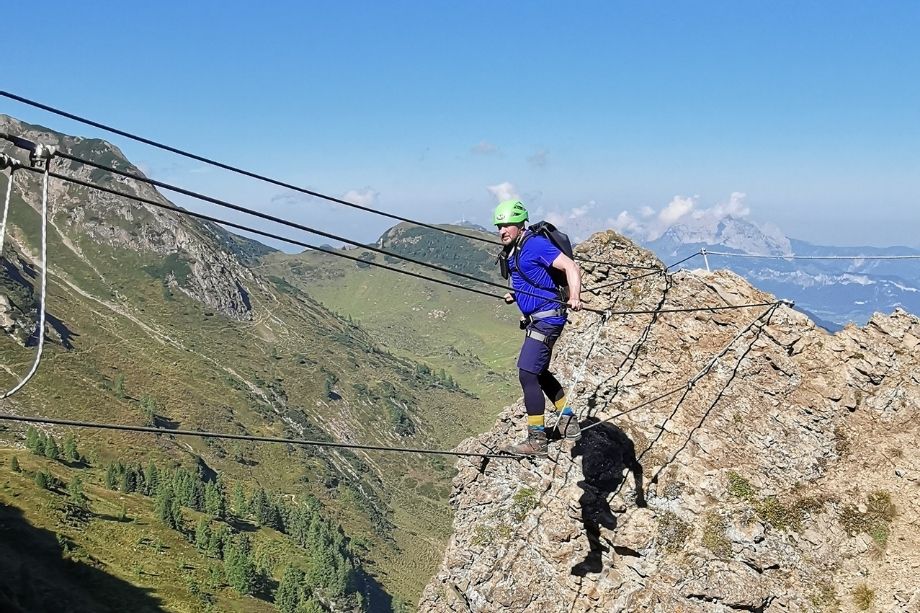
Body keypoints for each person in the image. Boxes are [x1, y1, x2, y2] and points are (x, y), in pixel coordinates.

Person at [493, 199, 583, 456]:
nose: (502, 231)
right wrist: (517, 295)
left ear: (520, 224)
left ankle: (537, 440)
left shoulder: (534, 244)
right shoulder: (515, 250)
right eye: (499, 226)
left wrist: (574, 296)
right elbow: (532, 278)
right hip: (539, 318)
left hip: (548, 318)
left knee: (527, 373)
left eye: (507, 225)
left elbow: (571, 267)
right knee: (539, 372)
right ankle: (567, 421)